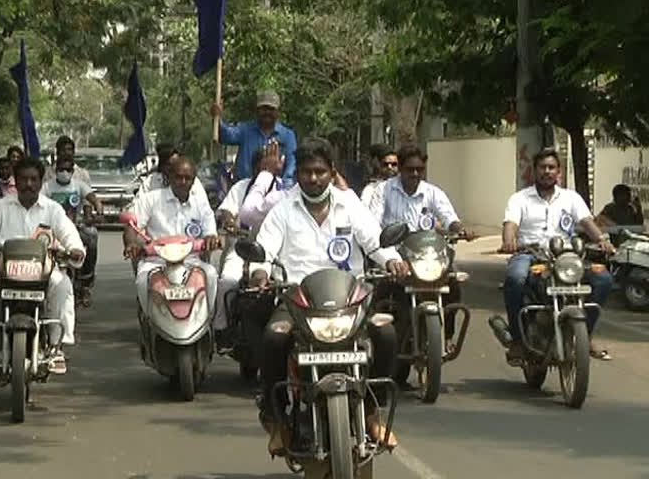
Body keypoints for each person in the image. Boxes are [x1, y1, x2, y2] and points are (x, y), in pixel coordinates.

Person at [251, 138, 406, 455]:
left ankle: (374, 413)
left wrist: (391, 260)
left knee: (386, 332)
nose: (313, 178)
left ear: (332, 172)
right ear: (299, 175)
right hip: (298, 301)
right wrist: (260, 272)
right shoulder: (283, 209)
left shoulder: (349, 204)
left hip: (351, 299)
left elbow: (375, 243)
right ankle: (278, 418)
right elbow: (263, 252)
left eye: (320, 171)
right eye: (306, 172)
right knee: (272, 338)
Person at [0, 157, 85, 373]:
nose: (28, 184)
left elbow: (68, 233)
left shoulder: (53, 209)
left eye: (33, 179)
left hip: (43, 272)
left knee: (62, 285)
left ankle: (58, 347)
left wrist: (75, 249)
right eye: (23, 179)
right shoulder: (1, 207)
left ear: (41, 183)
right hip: (5, 270)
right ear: (16, 181)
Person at [500, 148, 615, 361]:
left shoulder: (571, 198)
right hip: (530, 254)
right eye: (542, 167)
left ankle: (585, 335)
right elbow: (511, 224)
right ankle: (517, 340)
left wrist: (602, 240)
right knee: (514, 279)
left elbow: (586, 222)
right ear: (534, 171)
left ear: (559, 172)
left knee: (603, 279)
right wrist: (509, 241)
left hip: (566, 257)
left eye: (551, 167)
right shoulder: (520, 198)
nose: (547, 171)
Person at [368, 145, 474, 354]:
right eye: (409, 169)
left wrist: (460, 229)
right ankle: (383, 343)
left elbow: (449, 217)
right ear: (401, 169)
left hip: (427, 255)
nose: (415, 174)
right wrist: (385, 242)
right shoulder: (384, 190)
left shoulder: (432, 192)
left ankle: (447, 335)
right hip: (395, 254)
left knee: (453, 284)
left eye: (419, 169)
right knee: (382, 291)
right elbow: (373, 222)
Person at [123, 156, 221, 328]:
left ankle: (207, 321)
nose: (183, 182)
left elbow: (210, 233)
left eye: (188, 178)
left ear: (194, 180)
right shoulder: (151, 199)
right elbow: (132, 225)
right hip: (156, 262)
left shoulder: (201, 204)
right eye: (178, 177)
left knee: (211, 274)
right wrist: (132, 244)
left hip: (191, 261)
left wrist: (212, 239)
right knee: (142, 279)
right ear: (169, 177)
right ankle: (149, 321)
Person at [214, 146, 284, 350]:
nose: (269, 169)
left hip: (271, 253)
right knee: (227, 282)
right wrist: (229, 223)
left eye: (273, 164)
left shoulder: (284, 190)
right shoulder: (242, 187)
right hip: (241, 249)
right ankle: (222, 329)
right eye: (264, 165)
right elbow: (227, 211)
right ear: (255, 167)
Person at [41, 154, 104, 307]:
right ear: (56, 170)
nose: (65, 172)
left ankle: (86, 282)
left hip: (76, 227)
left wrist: (99, 209)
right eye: (61, 169)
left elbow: (93, 198)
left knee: (92, 236)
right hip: (53, 230)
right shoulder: (48, 187)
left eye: (68, 169)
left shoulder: (78, 185)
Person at [211, 90, 298, 187]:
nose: (267, 112)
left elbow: (291, 166)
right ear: (257, 110)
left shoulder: (288, 136)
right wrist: (217, 117)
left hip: (276, 192)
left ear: (278, 111)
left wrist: (284, 190)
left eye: (271, 109)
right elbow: (225, 136)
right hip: (244, 189)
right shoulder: (245, 130)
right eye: (264, 108)